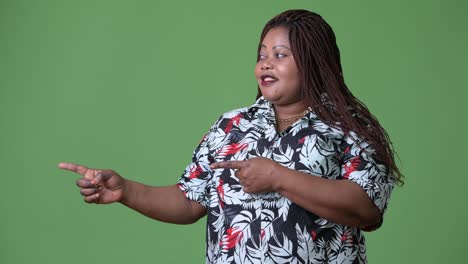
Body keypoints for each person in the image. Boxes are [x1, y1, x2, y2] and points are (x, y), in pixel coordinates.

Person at [59, 9, 403, 264]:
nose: (265, 64)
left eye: (280, 55)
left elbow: (367, 209)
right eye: (261, 55)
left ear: (313, 61)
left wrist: (278, 178)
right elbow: (190, 200)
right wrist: (125, 191)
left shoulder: (348, 126)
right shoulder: (232, 125)